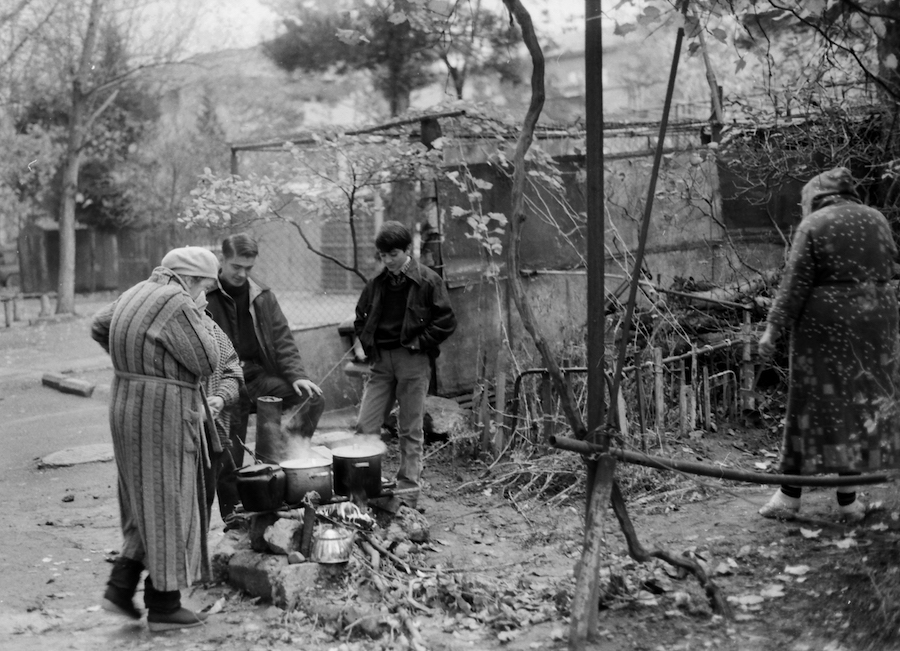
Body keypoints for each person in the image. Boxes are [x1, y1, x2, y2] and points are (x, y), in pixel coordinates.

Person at [757, 167, 900, 522]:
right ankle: (848, 503)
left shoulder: (815, 225)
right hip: (877, 325)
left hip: (826, 327)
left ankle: (788, 499)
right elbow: (891, 263)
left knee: (811, 404)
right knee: (861, 408)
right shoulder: (878, 219)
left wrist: (772, 329)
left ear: (815, 197)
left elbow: (793, 283)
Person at [91, 246, 222, 632]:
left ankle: (119, 587)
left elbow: (100, 325)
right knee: (170, 501)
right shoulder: (177, 301)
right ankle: (165, 605)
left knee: (142, 498)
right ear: (193, 279)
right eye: (208, 287)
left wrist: (136, 361)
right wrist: (197, 314)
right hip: (161, 412)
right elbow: (207, 359)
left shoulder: (136, 292)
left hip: (126, 404)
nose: (208, 295)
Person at [206, 232, 324, 522]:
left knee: (311, 397)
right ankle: (234, 517)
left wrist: (297, 375)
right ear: (222, 260)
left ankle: (282, 460)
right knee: (228, 453)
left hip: (257, 378)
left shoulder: (262, 295)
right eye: (236, 267)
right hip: (224, 384)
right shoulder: (204, 295)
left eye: (249, 268)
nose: (242, 274)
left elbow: (283, 339)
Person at [354, 221, 457, 507]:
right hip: (381, 363)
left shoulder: (428, 280)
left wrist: (418, 342)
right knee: (366, 425)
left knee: (410, 429)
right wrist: (368, 343)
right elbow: (360, 317)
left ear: (407, 250)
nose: (387, 261)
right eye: (383, 256)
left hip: (413, 360)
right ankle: (364, 491)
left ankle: (407, 493)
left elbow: (447, 321)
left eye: (393, 255)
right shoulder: (376, 284)